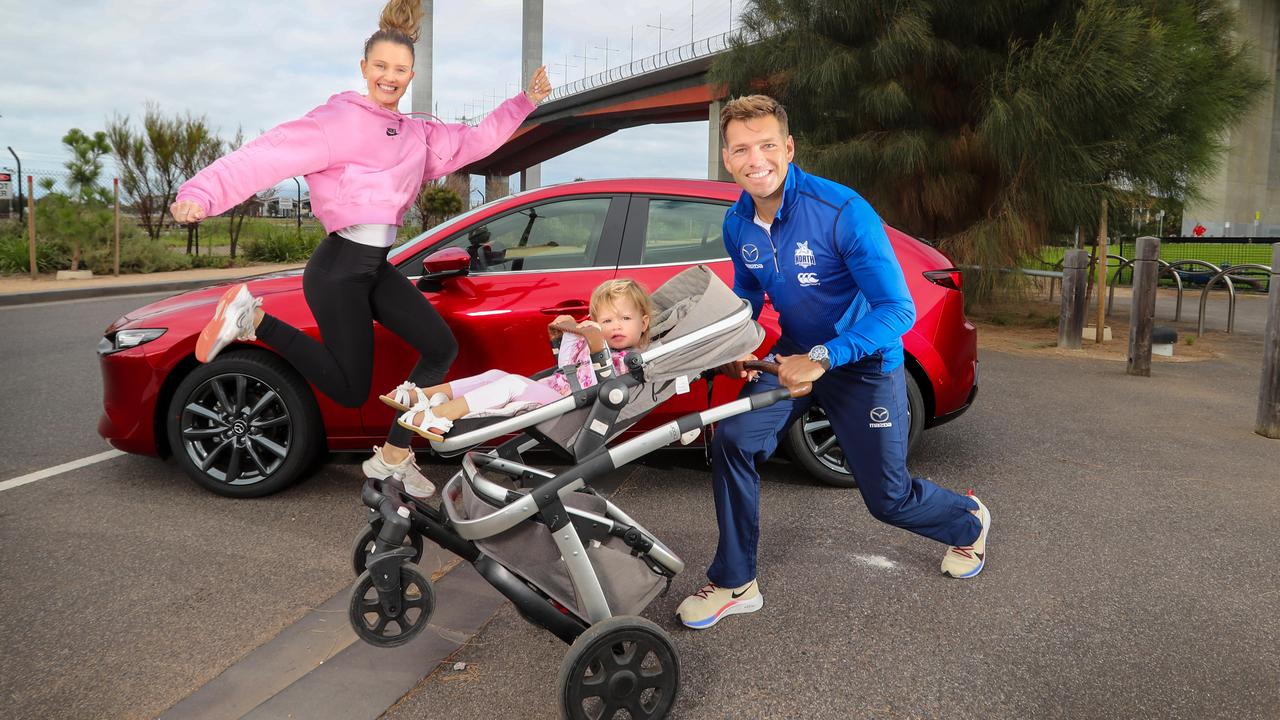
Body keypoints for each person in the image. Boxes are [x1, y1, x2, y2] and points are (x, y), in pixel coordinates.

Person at [168, 0, 553, 500]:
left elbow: (474, 141)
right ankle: (253, 319)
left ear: (411, 74)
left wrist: (524, 102)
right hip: (338, 268)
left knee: (440, 347)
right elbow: (265, 154)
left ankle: (393, 455)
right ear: (364, 68)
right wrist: (201, 194)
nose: (389, 77)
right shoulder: (338, 122)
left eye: (399, 70)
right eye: (380, 67)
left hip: (372, 268)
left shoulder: (417, 134)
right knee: (351, 389)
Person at [675, 95, 992, 630]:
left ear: (790, 148)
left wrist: (824, 357)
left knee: (888, 499)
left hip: (865, 364)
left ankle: (967, 522)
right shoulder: (737, 223)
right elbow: (749, 292)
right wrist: (732, 346)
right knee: (733, 441)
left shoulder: (842, 211)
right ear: (727, 160)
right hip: (794, 357)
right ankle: (735, 581)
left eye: (768, 145)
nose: (757, 159)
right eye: (742, 149)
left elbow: (897, 310)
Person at [395, 279, 653, 440]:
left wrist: (594, 338)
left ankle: (439, 416)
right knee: (496, 375)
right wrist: (572, 332)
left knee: (513, 385)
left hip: (573, 408)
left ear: (643, 323)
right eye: (608, 320)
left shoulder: (629, 360)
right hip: (558, 393)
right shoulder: (595, 342)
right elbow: (567, 367)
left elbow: (605, 381)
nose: (616, 327)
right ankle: (425, 395)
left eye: (625, 319)